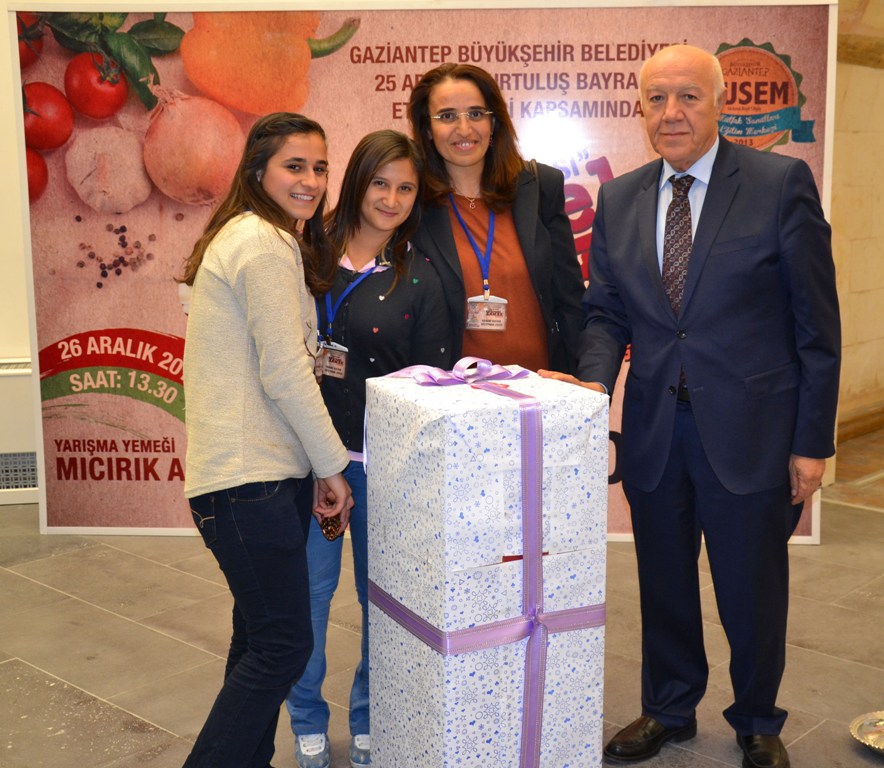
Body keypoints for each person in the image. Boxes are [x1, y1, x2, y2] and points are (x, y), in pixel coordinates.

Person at [541, 45, 840, 768]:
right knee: (664, 583)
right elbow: (606, 312)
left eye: (688, 97)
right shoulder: (620, 198)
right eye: (656, 99)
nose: (670, 113)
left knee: (751, 588)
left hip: (751, 433)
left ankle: (758, 717)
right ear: (639, 109)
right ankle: (668, 708)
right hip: (654, 431)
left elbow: (817, 326)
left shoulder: (778, 184)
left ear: (720, 103)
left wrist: (811, 443)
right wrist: (592, 385)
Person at [181, 112, 354, 768]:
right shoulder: (261, 243)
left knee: (258, 640)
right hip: (248, 485)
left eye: (320, 167)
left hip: (251, 481)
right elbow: (286, 372)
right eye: (294, 166)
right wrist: (332, 467)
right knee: (283, 646)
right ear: (258, 171)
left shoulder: (257, 236)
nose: (310, 180)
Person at [285, 130, 452, 768]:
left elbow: (431, 386)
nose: (391, 199)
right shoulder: (306, 257)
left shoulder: (421, 277)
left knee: (380, 604)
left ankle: (369, 716)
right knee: (307, 598)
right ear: (356, 181)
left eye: (405, 188)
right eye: (380, 182)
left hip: (384, 470)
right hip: (307, 461)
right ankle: (306, 718)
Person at [406, 62, 585, 372]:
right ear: (426, 130)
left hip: (542, 387)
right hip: (451, 392)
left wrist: (584, 381)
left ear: (494, 123)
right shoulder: (412, 202)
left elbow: (570, 300)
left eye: (476, 114)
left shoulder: (539, 188)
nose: (464, 129)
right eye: (447, 116)